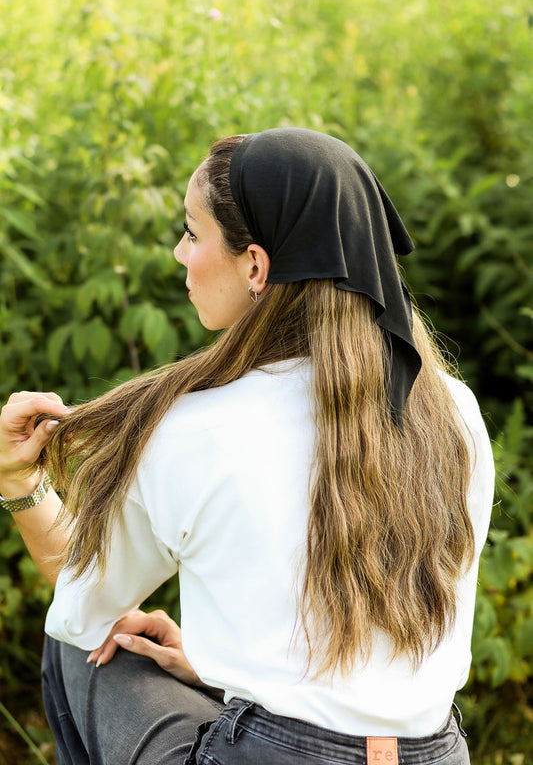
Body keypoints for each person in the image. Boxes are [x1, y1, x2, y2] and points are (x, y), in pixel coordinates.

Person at [0, 128, 494, 765]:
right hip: (439, 753)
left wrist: (19, 483)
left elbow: (83, 609)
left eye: (192, 232)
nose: (180, 253)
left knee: (73, 651)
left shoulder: (196, 427)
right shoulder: (453, 412)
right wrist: (217, 669)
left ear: (255, 266)